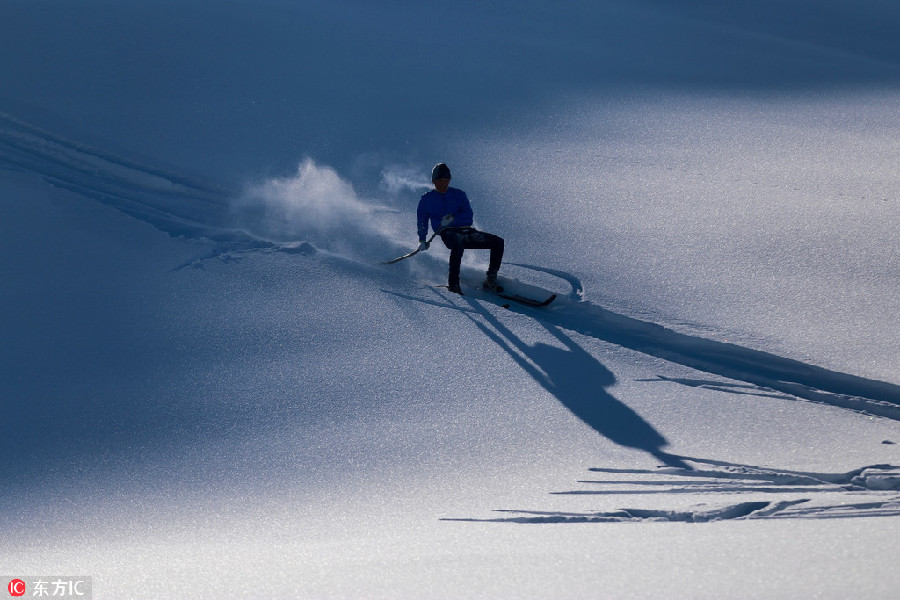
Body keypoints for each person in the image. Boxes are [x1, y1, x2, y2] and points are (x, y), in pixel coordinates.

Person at [417, 163, 505, 295]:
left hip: (467, 231)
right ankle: (453, 284)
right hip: (447, 232)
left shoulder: (459, 194)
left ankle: (490, 279)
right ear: (433, 181)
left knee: (498, 242)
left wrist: (452, 219)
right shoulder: (426, 199)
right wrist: (422, 240)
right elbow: (422, 221)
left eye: (446, 181)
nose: (443, 184)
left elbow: (468, 216)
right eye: (440, 181)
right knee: (457, 244)